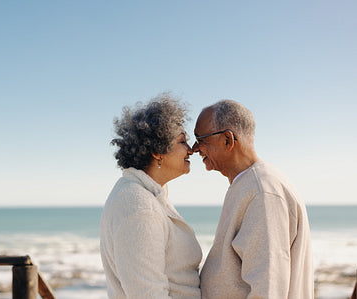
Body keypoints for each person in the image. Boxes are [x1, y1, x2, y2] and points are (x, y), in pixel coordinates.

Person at [194, 100, 314, 298]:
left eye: (201, 139)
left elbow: (268, 288)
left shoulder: (263, 192)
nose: (195, 148)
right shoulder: (251, 184)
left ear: (227, 140)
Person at [100, 93, 202, 298]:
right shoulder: (138, 205)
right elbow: (148, 293)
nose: (191, 150)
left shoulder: (147, 194)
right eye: (182, 141)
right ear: (157, 151)